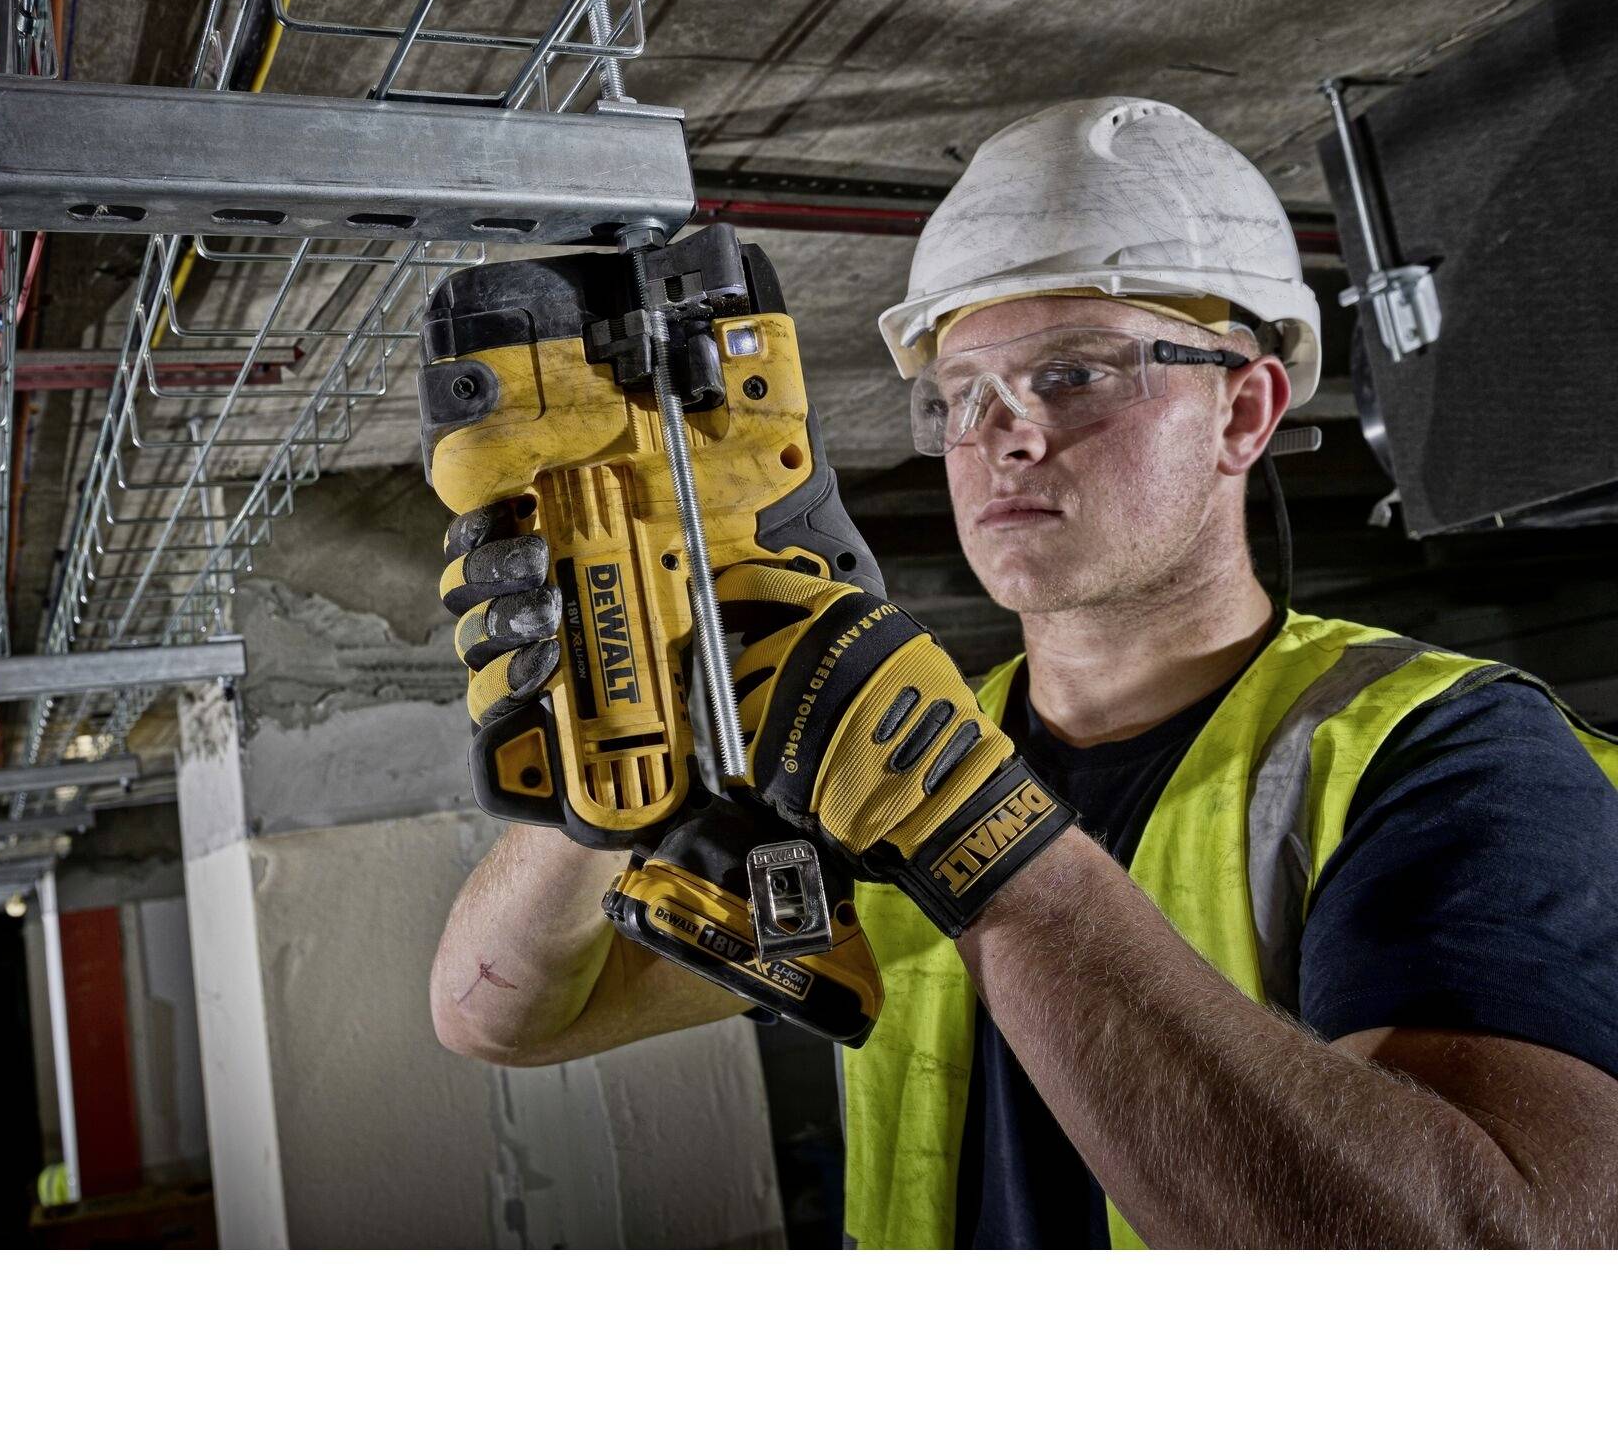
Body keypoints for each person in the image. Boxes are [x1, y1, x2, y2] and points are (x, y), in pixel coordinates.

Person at [430, 96, 1618, 1249]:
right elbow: (507, 1015)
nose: (1002, 433)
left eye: (1073, 373)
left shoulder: (1446, 757)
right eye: (957, 395)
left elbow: (1494, 1254)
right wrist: (614, 722)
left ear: (1241, 411)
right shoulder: (878, 743)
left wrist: (973, 838)